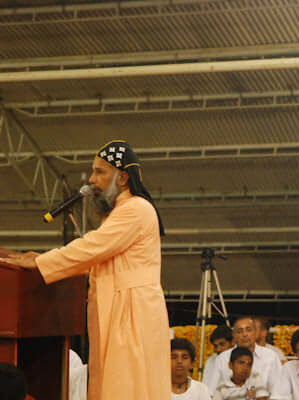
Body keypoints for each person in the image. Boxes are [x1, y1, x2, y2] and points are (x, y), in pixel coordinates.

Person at [0, 140, 171, 400]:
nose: (92, 179)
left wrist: (40, 262)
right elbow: (100, 259)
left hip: (132, 311)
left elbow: (92, 247)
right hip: (120, 308)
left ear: (123, 177)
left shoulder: (136, 209)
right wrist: (44, 259)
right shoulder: (119, 212)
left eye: (100, 172)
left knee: (126, 386)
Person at [205, 316, 283, 398]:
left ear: (255, 333)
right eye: (239, 331)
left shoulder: (270, 356)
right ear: (234, 335)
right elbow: (211, 392)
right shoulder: (222, 358)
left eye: (248, 330)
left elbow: (278, 392)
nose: (245, 334)